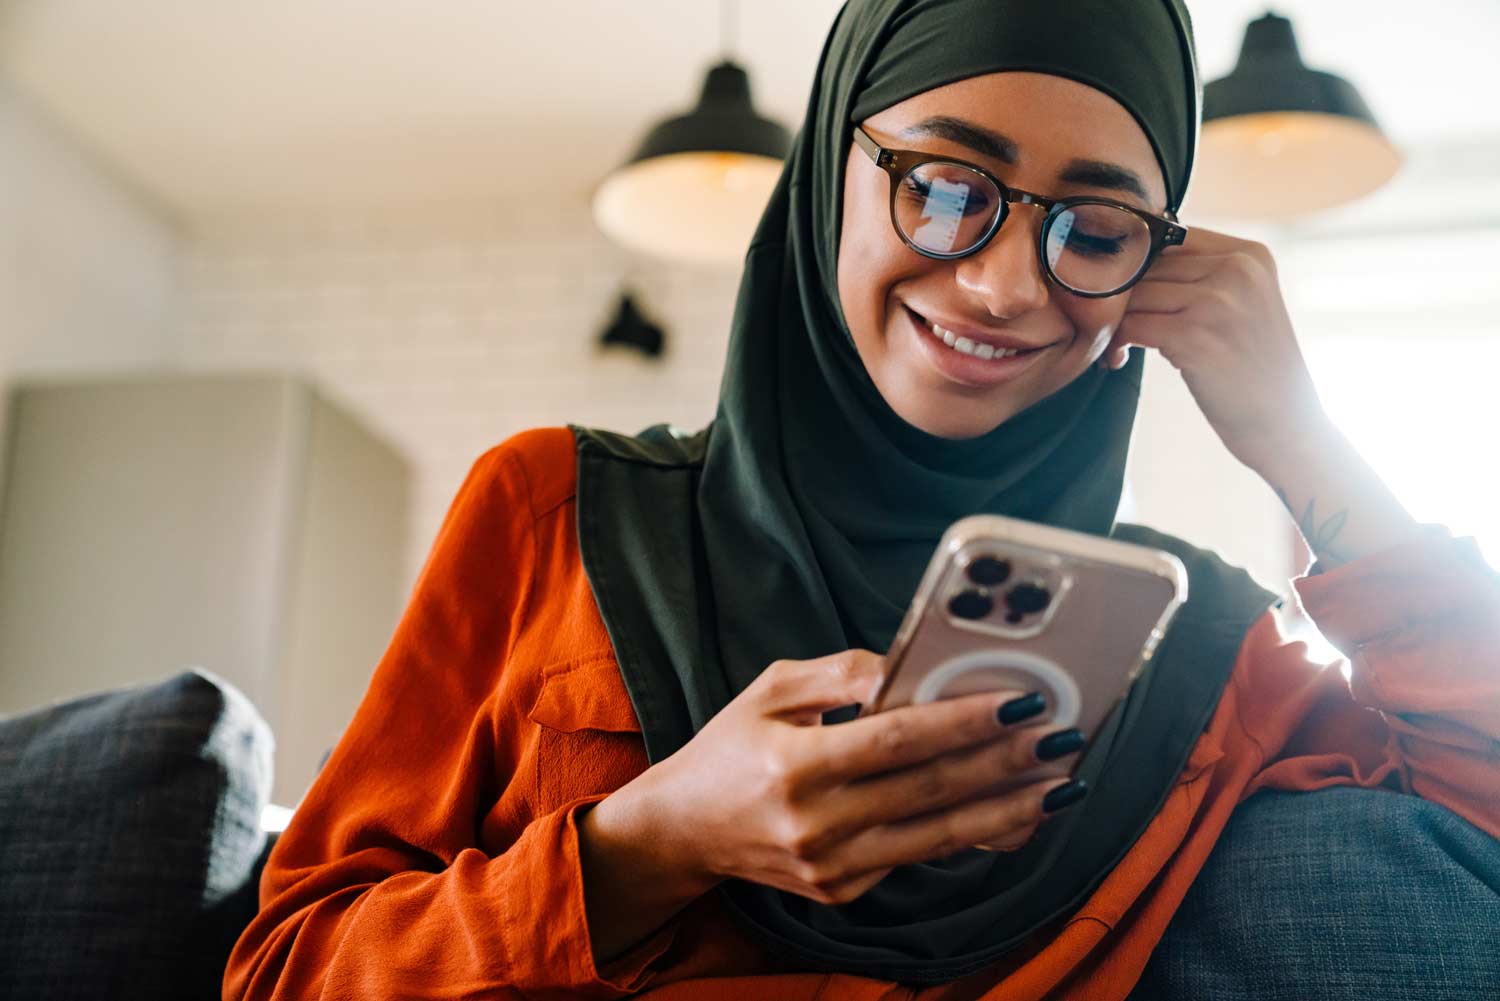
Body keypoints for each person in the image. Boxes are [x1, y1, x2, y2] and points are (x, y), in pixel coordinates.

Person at [223, 1, 1500, 998]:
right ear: (831, 170)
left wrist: (1305, 444)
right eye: (945, 187)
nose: (1004, 286)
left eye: (1097, 229)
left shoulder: (1200, 648)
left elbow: (1470, 856)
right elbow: (284, 970)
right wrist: (648, 845)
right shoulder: (555, 511)